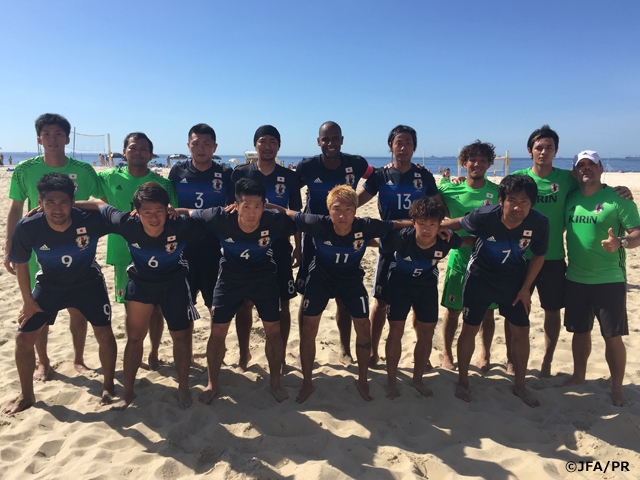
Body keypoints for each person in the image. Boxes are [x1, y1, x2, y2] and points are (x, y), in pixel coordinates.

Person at [512, 125, 632, 377]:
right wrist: (455, 179)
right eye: (539, 147)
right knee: (515, 309)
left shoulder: (567, 179)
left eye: (549, 148)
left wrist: (622, 189)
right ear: (530, 150)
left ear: (556, 151)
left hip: (553, 258)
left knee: (551, 311)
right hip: (519, 257)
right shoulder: (519, 178)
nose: (544, 152)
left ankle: (547, 360)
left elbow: (593, 182)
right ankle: (513, 361)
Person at [274, 185, 411, 403]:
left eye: (348, 209)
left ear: (355, 211)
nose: (342, 214)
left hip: (350, 281)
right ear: (329, 210)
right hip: (320, 280)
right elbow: (288, 213)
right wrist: (264, 205)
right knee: (309, 328)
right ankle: (307, 382)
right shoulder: (318, 223)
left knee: (363, 326)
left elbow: (395, 224)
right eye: (337, 208)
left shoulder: (366, 225)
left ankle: (363, 380)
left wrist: (421, 224)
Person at [77, 182, 205, 410]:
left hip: (174, 283)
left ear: (168, 209)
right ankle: (128, 391)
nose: (153, 217)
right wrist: (65, 204)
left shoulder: (181, 225)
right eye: (147, 212)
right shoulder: (126, 223)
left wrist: (182, 211)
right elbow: (98, 204)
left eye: (159, 211)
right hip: (141, 282)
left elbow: (210, 216)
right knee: (135, 336)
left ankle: (183, 388)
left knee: (181, 337)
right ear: (136, 212)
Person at [3, 173, 117, 414]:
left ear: (73, 201)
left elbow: (123, 219)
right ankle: (27, 395)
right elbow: (21, 265)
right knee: (23, 338)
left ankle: (108, 386)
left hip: (88, 282)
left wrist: (95, 203)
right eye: (50, 202)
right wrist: (28, 301)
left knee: (105, 334)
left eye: (64, 202)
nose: (57, 208)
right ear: (40, 202)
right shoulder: (28, 226)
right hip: (50, 284)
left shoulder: (90, 220)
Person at [4, 113, 101, 381]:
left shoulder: (84, 170)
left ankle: (79, 359)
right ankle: (43, 362)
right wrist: (9, 246)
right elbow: (15, 209)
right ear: (39, 139)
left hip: (77, 247)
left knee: (77, 309)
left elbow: (102, 202)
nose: (52, 138)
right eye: (46, 134)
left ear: (67, 138)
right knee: (38, 307)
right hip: (39, 248)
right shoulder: (25, 170)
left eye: (58, 133)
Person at [442, 175, 549, 407]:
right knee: (470, 329)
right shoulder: (484, 215)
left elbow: (539, 256)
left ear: (532, 203)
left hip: (514, 282)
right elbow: (459, 223)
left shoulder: (539, 223)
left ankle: (520, 385)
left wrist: (526, 289)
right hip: (480, 278)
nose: (518, 206)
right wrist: (429, 226)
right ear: (501, 200)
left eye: (524, 201)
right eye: (512, 200)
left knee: (521, 331)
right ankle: (463, 381)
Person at [188, 179, 295, 404]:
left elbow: (300, 217)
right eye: (246, 206)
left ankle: (275, 383)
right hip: (229, 279)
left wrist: (275, 207)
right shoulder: (219, 217)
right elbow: (189, 213)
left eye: (258, 206)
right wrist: (169, 210)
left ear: (264, 206)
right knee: (217, 331)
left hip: (264, 278)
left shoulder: (273, 220)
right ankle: (212, 384)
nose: (252, 212)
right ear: (235, 206)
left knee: (273, 330)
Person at [357, 125, 444, 367]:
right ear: (391, 146)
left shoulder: (423, 176)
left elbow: (439, 206)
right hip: (390, 246)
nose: (403, 147)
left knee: (418, 304)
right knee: (381, 301)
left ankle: (422, 356)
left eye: (408, 143)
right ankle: (374, 351)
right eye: (398, 142)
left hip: (420, 247)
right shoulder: (380, 176)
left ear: (414, 147)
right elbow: (357, 201)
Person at [563, 151, 640, 407]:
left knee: (612, 336)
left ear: (600, 168)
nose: (587, 169)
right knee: (579, 332)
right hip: (575, 277)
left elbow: (637, 233)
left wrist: (622, 242)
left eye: (592, 164)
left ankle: (617, 388)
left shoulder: (618, 198)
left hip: (609, 279)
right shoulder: (570, 198)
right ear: (575, 172)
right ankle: (578, 375)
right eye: (581, 165)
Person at [97, 132, 178, 371]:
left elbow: (172, 211)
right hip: (123, 252)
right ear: (124, 152)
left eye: (144, 148)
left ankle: (154, 352)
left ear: (151, 155)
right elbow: (95, 199)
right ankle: (137, 352)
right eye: (133, 148)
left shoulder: (162, 183)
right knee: (131, 307)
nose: (138, 152)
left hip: (157, 252)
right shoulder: (109, 176)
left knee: (157, 308)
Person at [296, 121, 374, 365]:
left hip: (344, 235)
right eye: (325, 139)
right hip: (314, 237)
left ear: (342, 139)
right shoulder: (307, 166)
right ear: (318, 141)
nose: (330, 143)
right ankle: (303, 352)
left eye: (335, 138)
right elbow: (287, 188)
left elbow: (377, 178)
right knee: (307, 295)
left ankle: (345, 349)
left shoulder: (357, 163)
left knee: (343, 295)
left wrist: (353, 207)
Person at [229, 125, 302, 372]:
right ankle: (243, 355)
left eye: (272, 142)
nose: (267, 146)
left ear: (278, 146)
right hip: (246, 246)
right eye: (263, 141)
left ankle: (279, 358)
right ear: (255, 145)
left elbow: (296, 215)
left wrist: (298, 247)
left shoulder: (289, 176)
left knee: (284, 304)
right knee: (244, 303)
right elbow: (231, 210)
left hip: (280, 246)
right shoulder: (240, 174)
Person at [382, 198, 470, 399]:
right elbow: (379, 240)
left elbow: (468, 241)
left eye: (432, 224)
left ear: (440, 224)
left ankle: (417, 379)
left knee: (427, 333)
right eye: (422, 223)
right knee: (395, 331)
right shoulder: (402, 238)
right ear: (414, 223)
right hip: (399, 284)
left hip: (427, 285)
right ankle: (391, 379)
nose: (427, 229)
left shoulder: (447, 238)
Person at [438, 141, 500, 372]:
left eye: (483, 160)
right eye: (472, 159)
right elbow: (430, 204)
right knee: (453, 311)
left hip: (488, 261)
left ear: (489, 164)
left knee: (488, 312)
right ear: (463, 163)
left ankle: (485, 353)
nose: (477, 164)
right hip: (458, 258)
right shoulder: (448, 189)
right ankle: (446, 353)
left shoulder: (496, 192)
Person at [169, 124, 231, 314]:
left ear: (215, 147)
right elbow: (168, 206)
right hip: (183, 247)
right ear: (188, 146)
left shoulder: (227, 173)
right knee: (184, 307)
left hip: (215, 247)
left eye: (206, 143)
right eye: (196, 144)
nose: (201, 148)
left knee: (216, 308)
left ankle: (217, 345)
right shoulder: (177, 171)